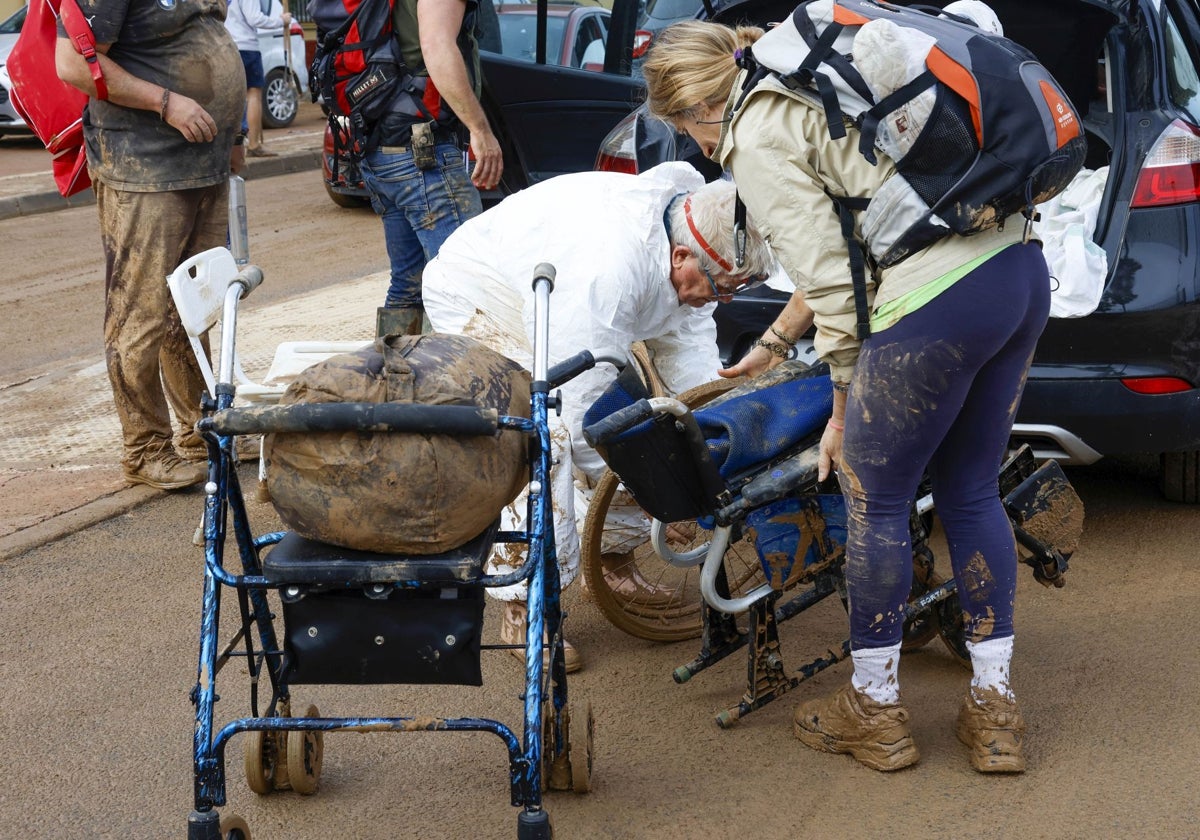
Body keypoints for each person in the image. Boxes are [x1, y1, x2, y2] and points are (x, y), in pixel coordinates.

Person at [642, 19, 1049, 773]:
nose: (697, 146)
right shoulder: (812, 89)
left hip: (933, 303)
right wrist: (770, 344)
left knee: (875, 498)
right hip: (1017, 272)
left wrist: (840, 404)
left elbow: (834, 283)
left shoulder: (755, 132)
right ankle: (996, 712)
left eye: (682, 129)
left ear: (695, 108)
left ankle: (875, 709)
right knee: (968, 491)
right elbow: (853, 239)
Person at [422, 162, 774, 673]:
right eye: (719, 288)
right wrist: (657, 494)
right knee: (545, 436)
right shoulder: (605, 273)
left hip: (569, 291)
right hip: (481, 294)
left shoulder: (699, 234)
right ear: (680, 256)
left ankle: (610, 564)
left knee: (658, 441)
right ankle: (525, 604)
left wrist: (702, 446)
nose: (720, 300)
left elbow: (690, 353)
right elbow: (582, 408)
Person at [56, 0, 247, 490]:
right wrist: (166, 102)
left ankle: (198, 430)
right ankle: (144, 448)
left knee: (193, 310)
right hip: (143, 167)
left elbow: (204, 37)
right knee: (139, 313)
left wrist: (235, 131)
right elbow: (73, 62)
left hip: (203, 161)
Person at [362, 0, 505, 339]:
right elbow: (437, 46)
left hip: (382, 147)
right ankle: (457, 386)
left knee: (408, 284)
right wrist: (480, 129)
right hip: (423, 153)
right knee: (464, 281)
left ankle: (397, 380)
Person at [224, 0, 291, 157]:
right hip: (246, 47)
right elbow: (255, 18)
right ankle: (253, 144)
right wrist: (281, 21)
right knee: (254, 94)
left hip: (226, 46)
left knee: (231, 97)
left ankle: (230, 147)